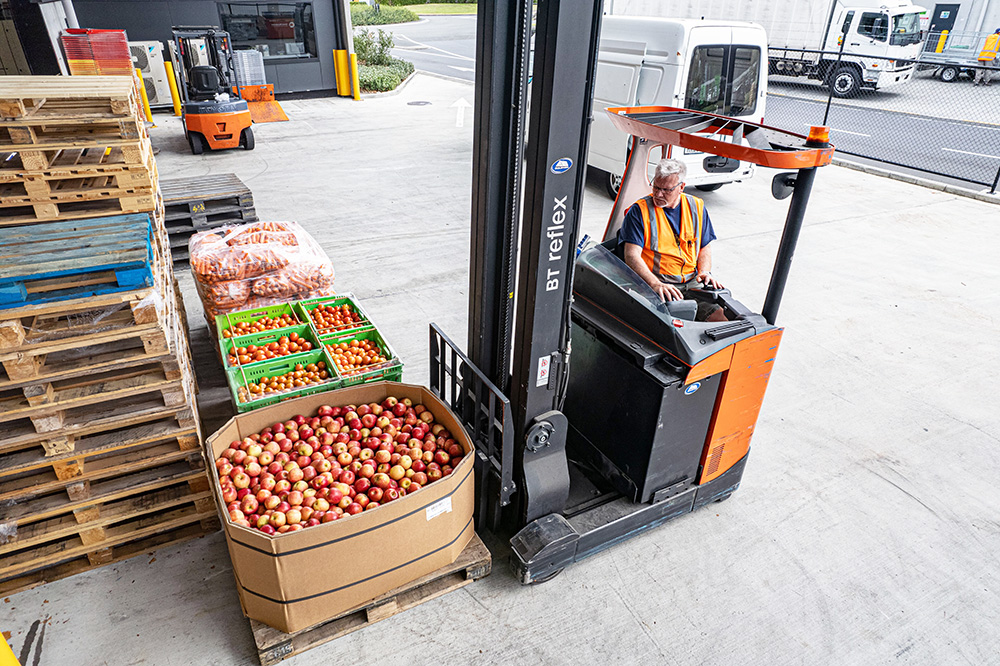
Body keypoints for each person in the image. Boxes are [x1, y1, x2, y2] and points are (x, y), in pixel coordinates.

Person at [618, 158, 726, 322]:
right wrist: (655, 284)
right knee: (678, 325)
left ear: (681, 187)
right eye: (656, 187)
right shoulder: (639, 212)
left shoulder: (697, 207)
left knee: (722, 319)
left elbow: (705, 247)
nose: (658, 194)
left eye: (666, 190)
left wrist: (705, 271)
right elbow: (632, 255)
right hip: (659, 284)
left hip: (693, 282)